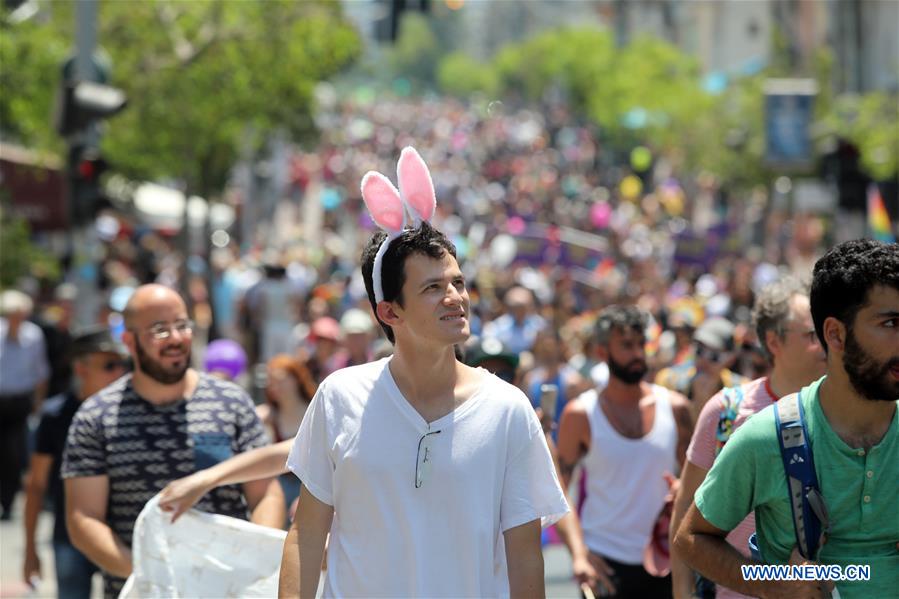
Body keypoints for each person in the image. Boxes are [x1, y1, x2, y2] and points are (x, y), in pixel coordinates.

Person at [279, 147, 568, 598]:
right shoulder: (339, 397)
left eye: (458, 282)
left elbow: (526, 557)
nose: (455, 297)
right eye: (433, 288)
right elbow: (307, 534)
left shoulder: (509, 410)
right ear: (389, 311)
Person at [674, 239, 899, 599]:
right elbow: (691, 538)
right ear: (836, 334)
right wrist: (770, 584)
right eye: (891, 323)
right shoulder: (767, 437)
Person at [62, 284, 285, 598]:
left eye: (182, 325)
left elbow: (266, 494)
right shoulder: (96, 416)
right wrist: (149, 577)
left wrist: (255, 564)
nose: (176, 339)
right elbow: (83, 518)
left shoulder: (231, 402)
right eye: (159, 330)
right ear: (129, 341)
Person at [669, 278, 826, 599]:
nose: (825, 342)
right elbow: (685, 507)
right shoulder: (726, 411)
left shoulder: (842, 411)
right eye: (812, 334)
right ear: (774, 342)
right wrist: (682, 593)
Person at [555, 305, 694, 598]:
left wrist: (683, 491)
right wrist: (580, 555)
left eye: (641, 344)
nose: (638, 354)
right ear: (602, 352)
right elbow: (557, 493)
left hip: (667, 560)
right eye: (627, 345)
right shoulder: (581, 414)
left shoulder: (676, 408)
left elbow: (700, 483)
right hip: (605, 564)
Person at [22, 326, 129, 599]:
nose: (118, 373)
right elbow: (35, 485)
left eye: (122, 365)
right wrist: (30, 550)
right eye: (108, 365)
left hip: (121, 540)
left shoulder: (131, 413)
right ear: (81, 369)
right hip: (69, 539)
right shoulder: (55, 415)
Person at [0, 289, 50, 520]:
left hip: (19, 402)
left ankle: (8, 502)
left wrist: (37, 405)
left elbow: (40, 372)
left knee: (13, 454)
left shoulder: (33, 336)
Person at [257, 354, 317, 517]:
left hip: (310, 483)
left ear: (296, 379)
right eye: (270, 381)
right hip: (280, 485)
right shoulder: (269, 415)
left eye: (280, 379)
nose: (274, 386)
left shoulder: (316, 410)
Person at [656, 316, 747, 417]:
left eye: (714, 356)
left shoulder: (742, 391)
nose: (704, 360)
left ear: (731, 360)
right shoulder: (669, 381)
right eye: (699, 350)